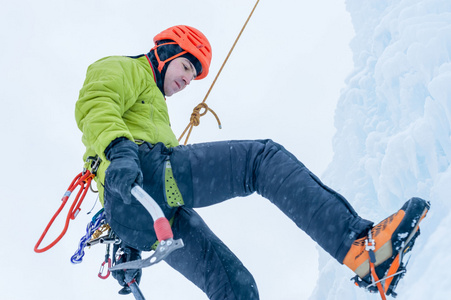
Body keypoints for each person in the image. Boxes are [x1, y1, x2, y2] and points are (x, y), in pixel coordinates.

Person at [75, 25, 430, 299]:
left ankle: (368, 258)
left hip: (148, 207)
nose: (187, 80)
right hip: (149, 173)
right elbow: (96, 104)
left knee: (236, 286)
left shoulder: (154, 103)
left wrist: (129, 238)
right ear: (165, 51)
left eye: (193, 76)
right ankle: (363, 250)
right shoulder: (124, 68)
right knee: (260, 160)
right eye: (186, 66)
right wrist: (121, 152)